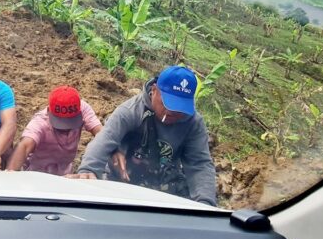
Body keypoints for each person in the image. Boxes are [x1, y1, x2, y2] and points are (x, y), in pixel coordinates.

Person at [73, 65, 217, 206]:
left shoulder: (193, 123)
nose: (172, 112)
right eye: (168, 104)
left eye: (180, 108)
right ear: (154, 90)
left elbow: (199, 163)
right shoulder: (131, 111)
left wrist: (205, 202)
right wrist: (88, 170)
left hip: (166, 188)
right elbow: (105, 139)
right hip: (123, 183)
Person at [5, 85, 103, 175]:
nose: (66, 129)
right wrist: (10, 175)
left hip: (65, 173)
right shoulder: (40, 122)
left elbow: (101, 135)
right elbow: (25, 146)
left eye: (70, 122)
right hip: (37, 173)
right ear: (49, 111)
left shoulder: (83, 109)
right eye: (61, 124)